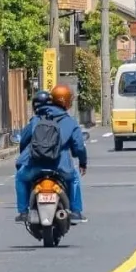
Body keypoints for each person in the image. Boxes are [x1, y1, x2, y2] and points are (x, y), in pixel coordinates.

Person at [15, 83, 87, 222]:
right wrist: (83, 162)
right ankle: (76, 211)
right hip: (61, 166)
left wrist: (24, 157)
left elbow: (24, 140)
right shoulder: (70, 122)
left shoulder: (37, 118)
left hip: (34, 165)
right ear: (67, 102)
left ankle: (23, 212)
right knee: (74, 178)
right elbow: (79, 147)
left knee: (20, 178)